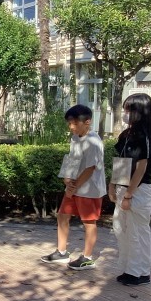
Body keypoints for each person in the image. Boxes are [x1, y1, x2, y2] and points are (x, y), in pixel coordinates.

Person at [41, 105, 106, 269]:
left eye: (75, 123)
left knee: (89, 222)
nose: (71, 127)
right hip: (74, 187)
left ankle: (87, 257)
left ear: (87, 122)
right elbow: (71, 159)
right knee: (62, 215)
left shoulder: (93, 141)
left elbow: (90, 168)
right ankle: (61, 252)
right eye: (69, 123)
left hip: (89, 189)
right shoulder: (75, 138)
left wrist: (74, 186)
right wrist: (67, 178)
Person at [109, 94, 151, 285]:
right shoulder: (126, 135)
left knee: (137, 232)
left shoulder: (145, 137)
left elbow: (141, 167)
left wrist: (129, 194)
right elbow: (121, 163)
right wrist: (113, 185)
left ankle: (139, 272)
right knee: (123, 230)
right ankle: (130, 268)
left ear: (140, 112)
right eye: (125, 109)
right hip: (124, 188)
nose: (125, 113)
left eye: (129, 109)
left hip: (138, 190)